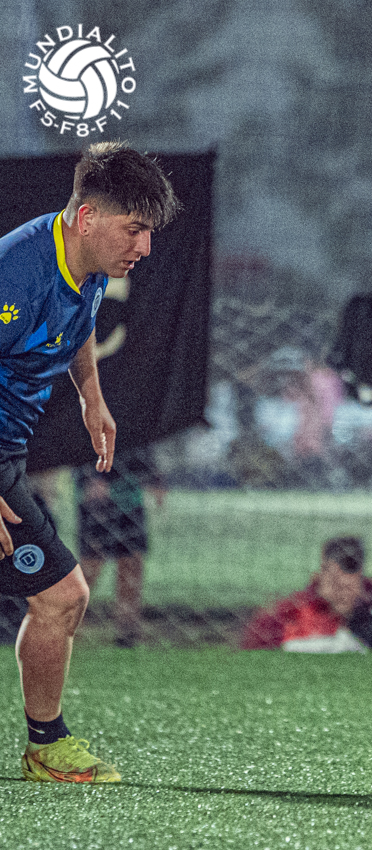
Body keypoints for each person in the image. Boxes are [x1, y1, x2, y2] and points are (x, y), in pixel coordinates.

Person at [0, 141, 179, 782]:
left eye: (150, 233)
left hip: (9, 454)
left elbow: (78, 328)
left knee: (58, 598)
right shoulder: (16, 271)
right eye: (134, 229)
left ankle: (45, 746)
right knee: (61, 595)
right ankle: (46, 746)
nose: (144, 247)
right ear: (87, 216)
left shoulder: (92, 265)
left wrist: (91, 399)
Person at [74, 447, 164, 647]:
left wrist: (156, 479)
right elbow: (77, 440)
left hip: (130, 495)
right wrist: (93, 476)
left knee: (131, 562)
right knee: (91, 565)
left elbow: (144, 441)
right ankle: (65, 625)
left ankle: (127, 630)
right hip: (96, 495)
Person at [241, 536, 372, 651]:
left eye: (348, 587)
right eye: (334, 583)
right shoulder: (286, 614)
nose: (342, 594)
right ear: (320, 575)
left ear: (361, 580)